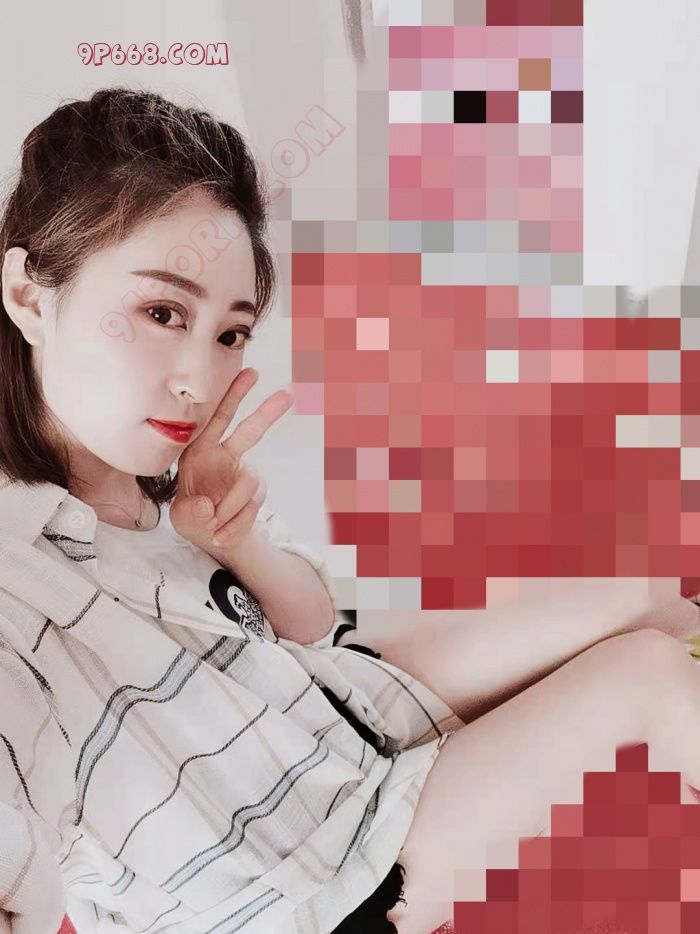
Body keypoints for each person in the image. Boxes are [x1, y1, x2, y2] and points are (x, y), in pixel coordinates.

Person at [0, 87, 699, 934]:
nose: (199, 377)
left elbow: (311, 625)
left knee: (648, 599)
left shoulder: (159, 486)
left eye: (229, 333)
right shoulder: (19, 580)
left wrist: (238, 542)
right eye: (161, 312)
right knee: (649, 676)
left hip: (336, 711)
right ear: (30, 297)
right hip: (315, 879)